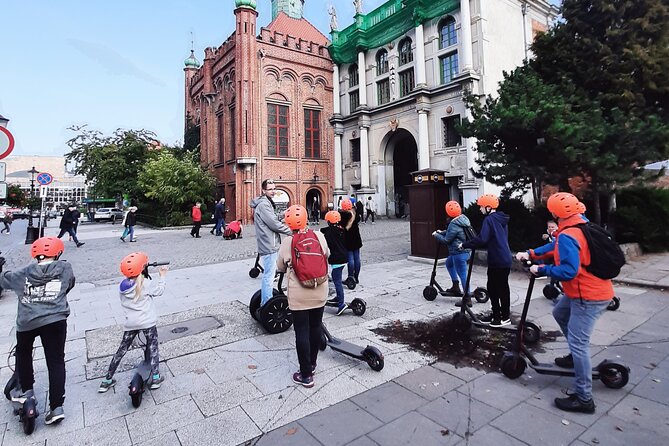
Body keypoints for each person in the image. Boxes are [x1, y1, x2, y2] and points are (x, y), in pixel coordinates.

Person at [517, 192, 613, 414]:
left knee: (580, 344)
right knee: (560, 313)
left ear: (556, 213)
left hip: (587, 296)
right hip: (584, 291)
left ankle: (584, 398)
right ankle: (573, 358)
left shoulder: (570, 234)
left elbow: (569, 270)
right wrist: (531, 253)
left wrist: (541, 269)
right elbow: (555, 247)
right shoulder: (577, 224)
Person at [0, 237, 76, 425]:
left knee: (24, 353)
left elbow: (3, 280)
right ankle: (56, 406)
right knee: (56, 361)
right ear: (58, 253)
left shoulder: (24, 273)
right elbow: (69, 285)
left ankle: (27, 392)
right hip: (56, 319)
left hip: (28, 321)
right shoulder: (65, 268)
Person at [99, 252, 168, 393]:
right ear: (142, 268)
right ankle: (155, 378)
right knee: (153, 348)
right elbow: (159, 291)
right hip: (147, 322)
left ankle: (107, 379)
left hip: (130, 323)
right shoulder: (145, 284)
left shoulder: (122, 286)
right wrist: (162, 276)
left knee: (121, 350)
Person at [276, 205, 329, 388]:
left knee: (302, 332)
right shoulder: (319, 236)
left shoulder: (287, 242)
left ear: (288, 224)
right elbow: (326, 255)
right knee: (316, 327)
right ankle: (312, 364)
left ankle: (305, 375)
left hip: (299, 295)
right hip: (320, 290)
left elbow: (281, 266)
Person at [460, 194, 512, 326]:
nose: (480, 209)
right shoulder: (501, 218)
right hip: (501, 257)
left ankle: (504, 317)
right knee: (495, 288)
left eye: (481, 206)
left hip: (498, 258)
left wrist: (465, 244)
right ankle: (496, 314)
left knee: (499, 288)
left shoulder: (489, 220)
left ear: (488, 207)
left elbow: (483, 239)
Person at [250, 179, 292, 306]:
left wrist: (282, 214)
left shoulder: (266, 203)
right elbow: (273, 224)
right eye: (270, 189)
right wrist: (291, 232)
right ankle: (266, 303)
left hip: (269, 242)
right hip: (269, 244)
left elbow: (272, 218)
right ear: (264, 191)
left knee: (270, 273)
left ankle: (266, 299)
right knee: (269, 275)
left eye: (274, 189)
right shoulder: (263, 205)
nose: (273, 191)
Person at [433, 201, 472, 304]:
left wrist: (436, 235)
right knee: (449, 263)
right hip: (465, 251)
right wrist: (441, 232)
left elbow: (447, 240)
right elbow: (452, 233)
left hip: (459, 253)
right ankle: (455, 286)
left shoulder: (453, 224)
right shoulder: (462, 219)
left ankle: (467, 298)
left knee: (463, 274)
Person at [321, 210, 348, 315]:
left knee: (337, 281)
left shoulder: (328, 233)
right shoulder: (342, 230)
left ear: (328, 222)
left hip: (336, 260)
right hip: (344, 258)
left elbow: (323, 231)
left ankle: (341, 304)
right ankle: (337, 297)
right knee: (338, 278)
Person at [339, 198, 363, 285]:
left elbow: (340, 226)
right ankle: (356, 276)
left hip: (347, 238)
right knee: (357, 258)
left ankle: (350, 277)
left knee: (350, 259)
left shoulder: (342, 215)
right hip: (356, 238)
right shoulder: (355, 214)